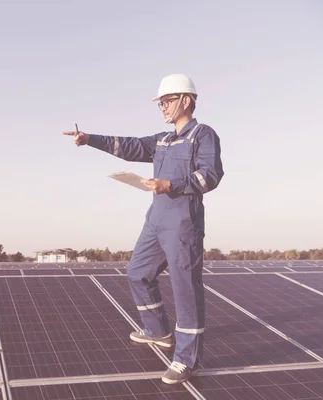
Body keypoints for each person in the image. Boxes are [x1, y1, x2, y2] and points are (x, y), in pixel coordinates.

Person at [62, 73, 224, 384]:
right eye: (161, 103)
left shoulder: (202, 135)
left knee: (185, 290)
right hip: (156, 221)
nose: (162, 107)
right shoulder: (162, 139)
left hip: (182, 225)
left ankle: (186, 359)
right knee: (137, 272)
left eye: (167, 101)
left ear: (186, 101)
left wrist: (172, 184)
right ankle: (158, 331)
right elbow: (131, 146)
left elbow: (211, 175)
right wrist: (90, 139)